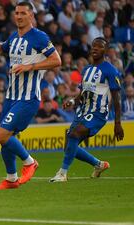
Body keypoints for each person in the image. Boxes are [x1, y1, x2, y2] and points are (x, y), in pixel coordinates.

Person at [0, 1, 61, 190]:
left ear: (31, 16)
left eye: (23, 13)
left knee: (1, 134)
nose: (19, 16)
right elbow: (1, 50)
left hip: (28, 97)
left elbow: (56, 60)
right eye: (17, 13)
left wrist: (29, 66)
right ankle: (12, 179)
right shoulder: (14, 37)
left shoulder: (39, 37)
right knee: (7, 138)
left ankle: (30, 162)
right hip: (11, 97)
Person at [50, 37, 124, 182]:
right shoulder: (86, 70)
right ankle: (99, 165)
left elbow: (117, 98)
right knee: (68, 146)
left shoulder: (110, 70)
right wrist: (72, 101)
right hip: (82, 111)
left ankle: (62, 174)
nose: (95, 49)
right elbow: (83, 94)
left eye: (99, 46)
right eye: (93, 46)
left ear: (105, 50)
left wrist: (117, 123)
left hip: (98, 113)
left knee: (74, 134)